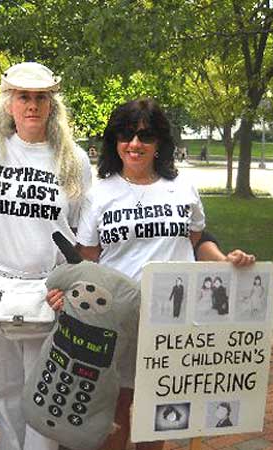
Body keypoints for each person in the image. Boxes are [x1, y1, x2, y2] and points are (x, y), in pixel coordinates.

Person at [48, 98, 254, 450]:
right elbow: (87, 262)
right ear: (115, 141)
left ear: (160, 142)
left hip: (171, 324)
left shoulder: (183, 189)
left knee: (156, 413)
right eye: (126, 134)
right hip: (117, 321)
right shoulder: (100, 195)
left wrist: (224, 260)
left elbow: (196, 242)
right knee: (115, 411)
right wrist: (67, 294)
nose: (135, 144)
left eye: (145, 135)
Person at [0, 62, 92, 450]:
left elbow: (80, 235)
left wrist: (69, 287)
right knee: (4, 387)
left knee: (44, 388)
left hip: (48, 292)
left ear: (52, 104)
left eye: (40, 98)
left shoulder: (73, 161)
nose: (32, 106)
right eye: (23, 97)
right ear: (9, 103)